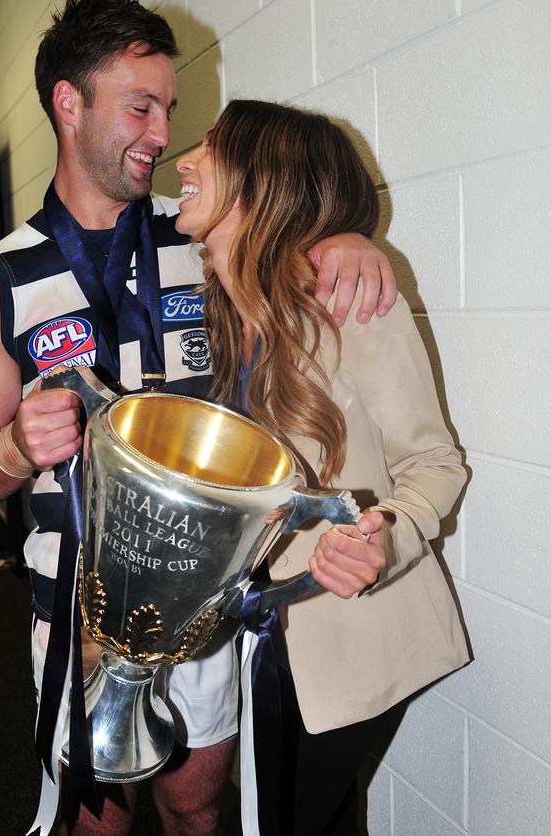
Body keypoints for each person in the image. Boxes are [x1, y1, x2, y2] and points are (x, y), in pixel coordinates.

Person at [0, 0, 397, 836]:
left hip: (203, 606)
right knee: (98, 823)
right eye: (139, 106)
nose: (162, 133)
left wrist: (352, 237)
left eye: (169, 108)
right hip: (74, 615)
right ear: (68, 104)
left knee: (196, 808)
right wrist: (7, 448)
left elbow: (304, 219)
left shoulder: (203, 231)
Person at [174, 99, 470, 835]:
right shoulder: (220, 306)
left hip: (350, 631)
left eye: (208, 149)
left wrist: (384, 537)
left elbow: (436, 462)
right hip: (265, 631)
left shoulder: (351, 299)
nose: (182, 160)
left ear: (260, 183)